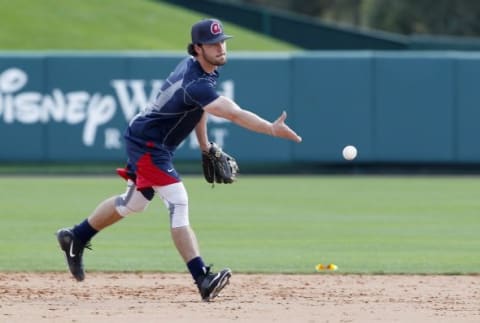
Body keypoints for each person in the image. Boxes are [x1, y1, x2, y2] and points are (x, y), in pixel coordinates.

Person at [56, 18, 302, 302]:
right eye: (213, 44)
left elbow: (200, 110)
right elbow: (232, 112)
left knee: (133, 204)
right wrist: (270, 128)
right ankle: (202, 278)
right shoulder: (195, 81)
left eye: (222, 41)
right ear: (198, 48)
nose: (221, 47)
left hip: (150, 140)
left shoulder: (203, 70)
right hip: (148, 145)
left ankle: (76, 236)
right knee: (178, 199)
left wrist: (204, 146)